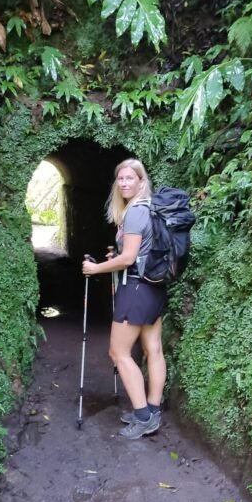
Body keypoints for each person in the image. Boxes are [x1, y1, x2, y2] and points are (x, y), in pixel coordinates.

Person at [82, 158, 167, 439]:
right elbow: (137, 253)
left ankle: (143, 418)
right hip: (154, 287)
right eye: (120, 179)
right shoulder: (151, 208)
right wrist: (117, 259)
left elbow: (129, 258)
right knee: (152, 349)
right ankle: (152, 409)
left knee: (118, 353)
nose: (124, 183)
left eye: (130, 178)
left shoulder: (134, 213)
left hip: (135, 290)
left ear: (142, 182)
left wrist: (96, 268)